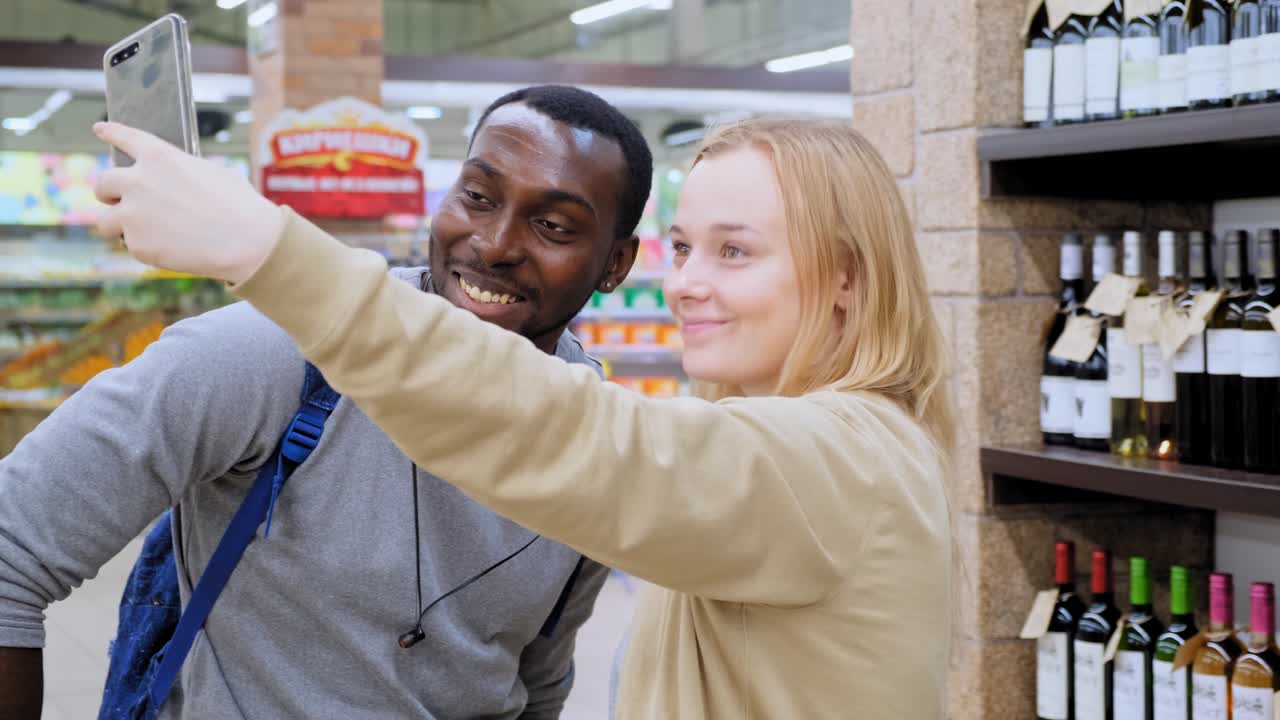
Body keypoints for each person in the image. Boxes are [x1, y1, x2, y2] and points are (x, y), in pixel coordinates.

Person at [95, 115, 955, 718]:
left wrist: (266, 250)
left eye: (736, 251)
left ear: (848, 277)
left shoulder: (847, 458)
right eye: (685, 247)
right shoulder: (818, 443)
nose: (689, 282)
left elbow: (572, 437)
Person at [0, 84, 655, 719]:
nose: (495, 243)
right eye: (478, 196)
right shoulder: (271, 357)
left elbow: (534, 678)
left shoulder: (597, 440)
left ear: (615, 265)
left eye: (553, 225)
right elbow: (11, 547)